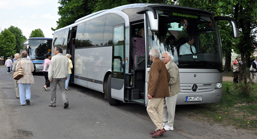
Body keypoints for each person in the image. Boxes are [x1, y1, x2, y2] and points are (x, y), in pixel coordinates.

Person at [147, 49, 170, 138]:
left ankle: (160, 128)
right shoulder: (161, 63)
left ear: (151, 56)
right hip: (162, 92)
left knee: (150, 108)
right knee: (159, 111)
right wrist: (163, 86)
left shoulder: (155, 64)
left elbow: (155, 79)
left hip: (156, 92)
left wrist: (150, 92)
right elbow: (168, 76)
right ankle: (158, 129)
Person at [161, 52, 181, 131]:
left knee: (170, 108)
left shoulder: (172, 66)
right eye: (162, 57)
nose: (162, 58)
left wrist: (162, 82)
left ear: (169, 58)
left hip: (172, 91)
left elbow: (173, 80)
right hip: (167, 91)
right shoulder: (166, 65)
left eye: (164, 57)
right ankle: (165, 122)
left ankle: (170, 125)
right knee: (164, 106)